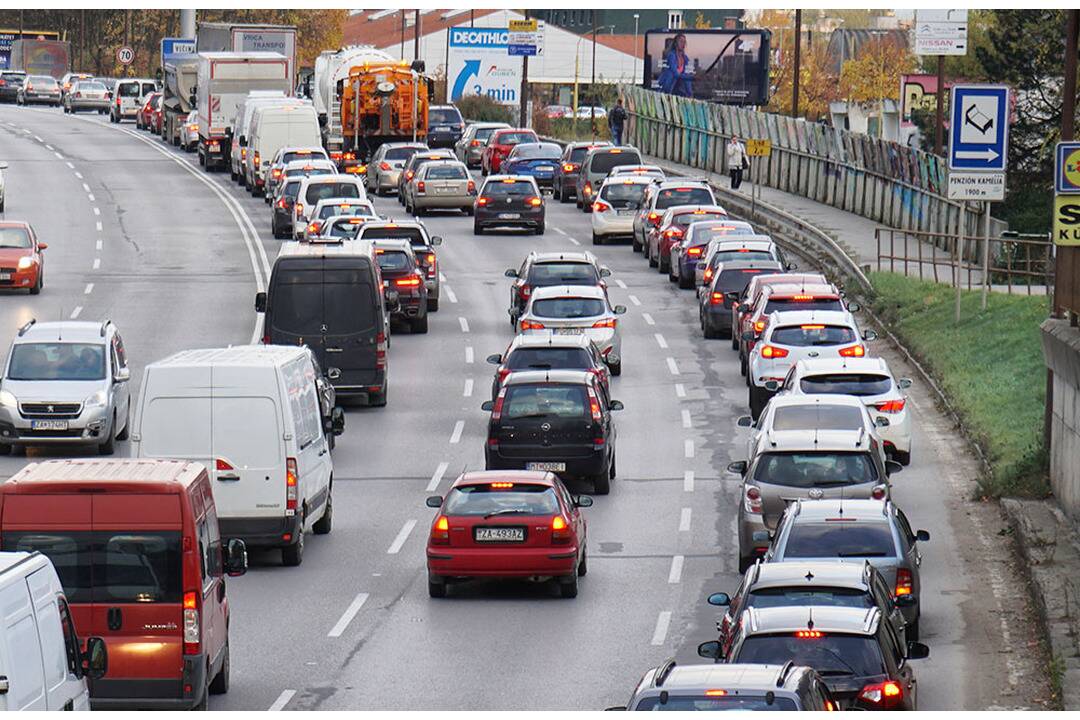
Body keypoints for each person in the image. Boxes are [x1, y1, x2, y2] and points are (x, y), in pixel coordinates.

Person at [656, 33, 694, 97]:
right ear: (676, 43)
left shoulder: (686, 58)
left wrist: (690, 94)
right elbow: (676, 74)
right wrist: (692, 77)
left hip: (677, 89)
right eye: (681, 41)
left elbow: (687, 74)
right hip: (665, 90)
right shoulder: (671, 55)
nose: (683, 44)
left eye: (684, 42)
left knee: (687, 78)